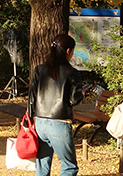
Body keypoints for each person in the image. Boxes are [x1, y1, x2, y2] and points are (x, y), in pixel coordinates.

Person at [28, 33, 85, 176]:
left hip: (40, 122)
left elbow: (32, 97)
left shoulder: (39, 69)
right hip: (60, 123)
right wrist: (82, 93)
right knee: (69, 167)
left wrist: (30, 119)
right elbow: (74, 100)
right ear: (68, 51)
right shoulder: (72, 72)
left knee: (42, 167)